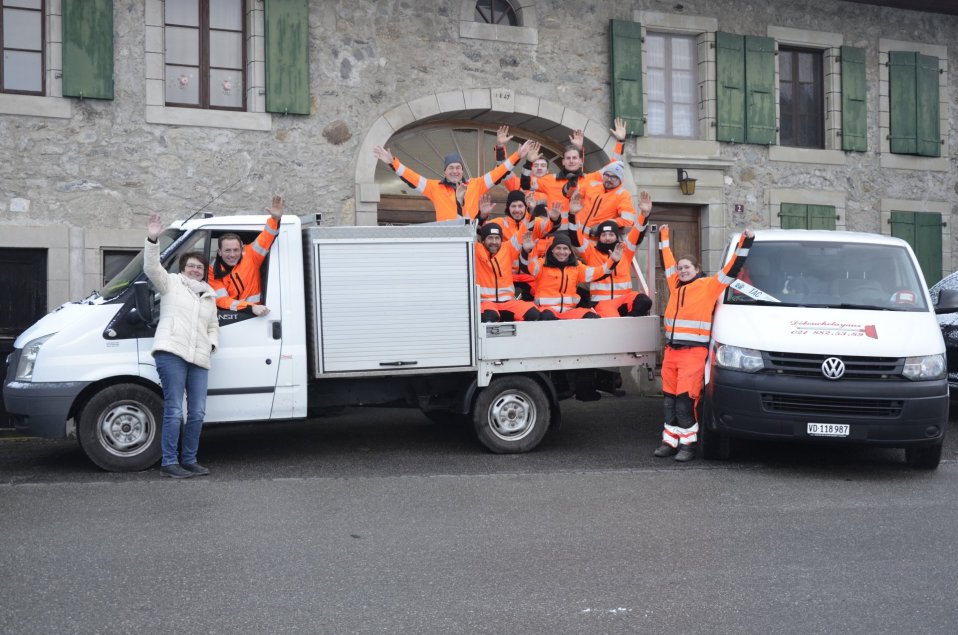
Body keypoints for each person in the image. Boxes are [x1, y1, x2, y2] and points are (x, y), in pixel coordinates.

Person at [654, 224, 754, 463]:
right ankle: (669, 441)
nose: (682, 270)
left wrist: (745, 242)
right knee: (669, 401)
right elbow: (666, 260)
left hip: (693, 354)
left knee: (684, 403)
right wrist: (664, 236)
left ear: (697, 269)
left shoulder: (709, 286)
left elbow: (732, 269)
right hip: (671, 352)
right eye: (680, 268)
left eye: (687, 267)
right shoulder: (674, 285)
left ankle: (688, 445)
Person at [145, 213, 220, 478]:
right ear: (183, 268)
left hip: (199, 357)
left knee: (198, 412)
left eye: (200, 267)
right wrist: (153, 238)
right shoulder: (171, 284)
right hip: (172, 353)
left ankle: (189, 459)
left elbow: (213, 327)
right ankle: (169, 462)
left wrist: (211, 345)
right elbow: (152, 268)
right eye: (191, 266)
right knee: (175, 410)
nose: (195, 270)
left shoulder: (209, 296)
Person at [372, 140, 535, 221]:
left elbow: (498, 172)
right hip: (448, 238)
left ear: (462, 170)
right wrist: (392, 161)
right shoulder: (434, 187)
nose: (455, 171)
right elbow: (410, 176)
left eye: (458, 168)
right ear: (445, 171)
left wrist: (517, 156)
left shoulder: (475, 185)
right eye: (451, 168)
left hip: (470, 237)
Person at [523, 119, 627, 212]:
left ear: (580, 161)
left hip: (579, 231)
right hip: (556, 231)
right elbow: (525, 184)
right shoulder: (550, 180)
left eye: (574, 158)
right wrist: (528, 162)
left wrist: (620, 142)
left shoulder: (590, 179)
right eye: (568, 158)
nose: (571, 161)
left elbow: (613, 167)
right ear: (563, 161)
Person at [209, 195, 284, 315]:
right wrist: (249, 307)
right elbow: (222, 300)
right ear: (219, 252)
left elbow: (267, 236)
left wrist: (275, 219)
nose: (232, 254)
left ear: (242, 249)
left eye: (236, 250)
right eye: (227, 250)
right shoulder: (213, 270)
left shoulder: (250, 254)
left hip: (257, 317)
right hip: (238, 315)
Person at [522, 232, 622, 319]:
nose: (562, 252)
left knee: (590, 316)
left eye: (565, 248)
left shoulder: (577, 267)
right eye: (558, 248)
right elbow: (528, 267)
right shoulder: (541, 265)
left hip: (569, 312)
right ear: (552, 250)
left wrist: (613, 261)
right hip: (546, 311)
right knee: (547, 316)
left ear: (570, 251)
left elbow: (599, 272)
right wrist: (527, 252)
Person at [474, 222, 542, 323]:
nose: (494, 242)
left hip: (509, 302)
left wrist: (529, 208)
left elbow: (523, 228)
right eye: (490, 238)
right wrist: (481, 217)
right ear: (483, 240)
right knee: (488, 318)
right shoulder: (475, 249)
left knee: (534, 314)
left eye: (497, 238)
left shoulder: (508, 248)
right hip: (486, 303)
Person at [575, 160, 639, 237]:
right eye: (607, 175)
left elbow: (627, 221)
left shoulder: (623, 195)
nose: (609, 179)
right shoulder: (592, 185)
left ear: (620, 180)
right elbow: (573, 196)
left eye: (614, 177)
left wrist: (604, 224)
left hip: (597, 241)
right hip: (577, 236)